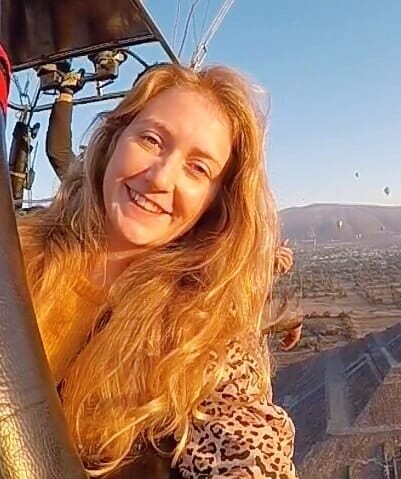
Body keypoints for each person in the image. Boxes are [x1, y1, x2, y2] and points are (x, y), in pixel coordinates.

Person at [17, 63, 296, 478]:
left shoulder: (204, 339)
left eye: (198, 168)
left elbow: (246, 448)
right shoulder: (15, 252)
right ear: (114, 139)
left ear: (216, 202)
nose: (160, 177)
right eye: (151, 139)